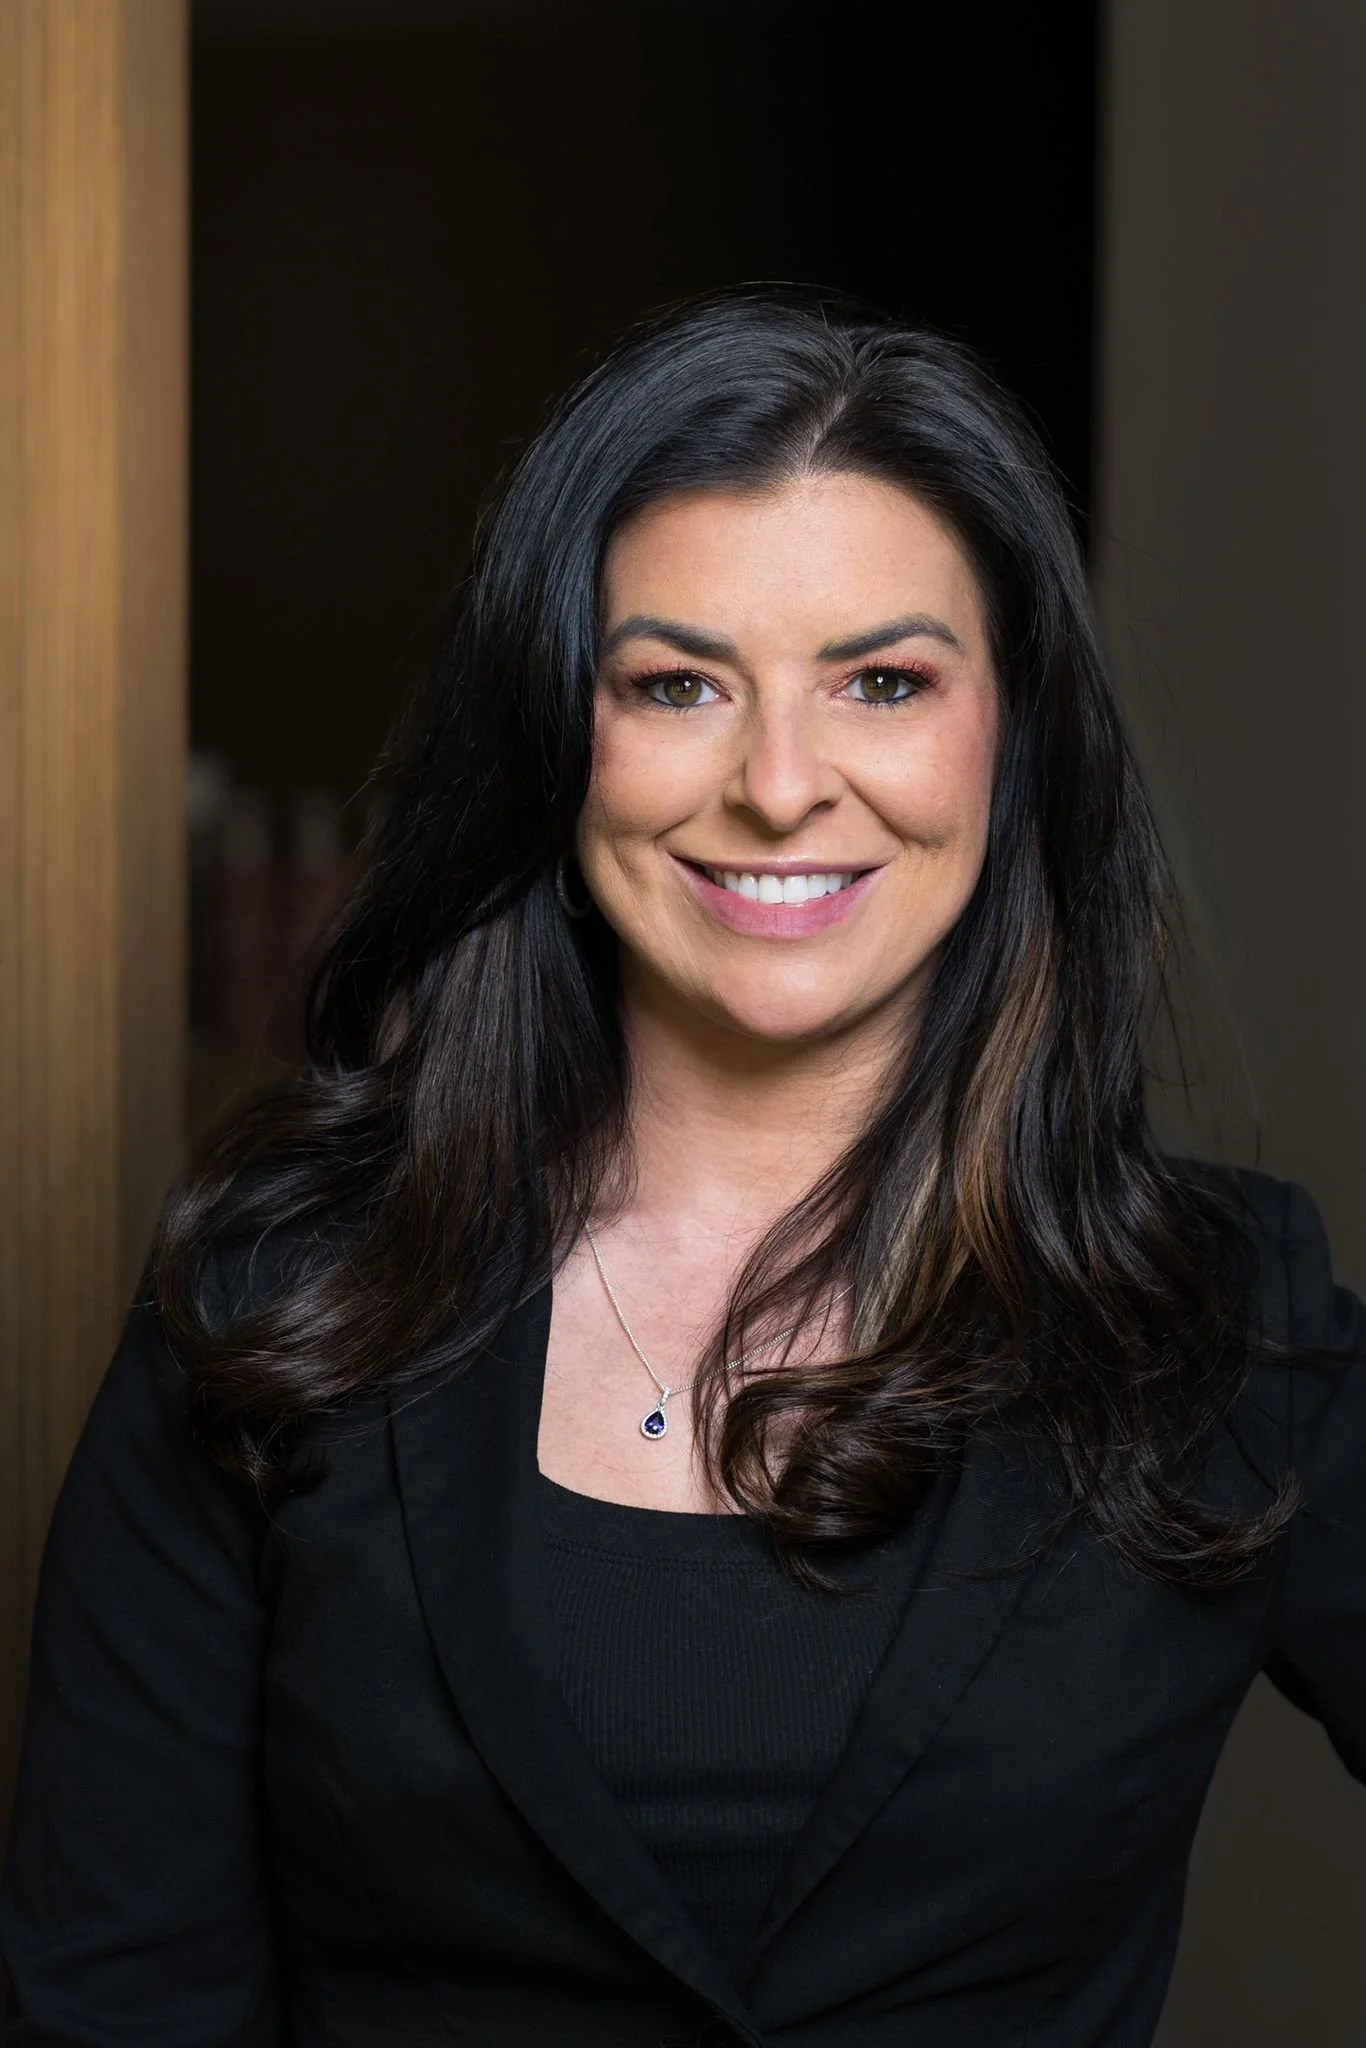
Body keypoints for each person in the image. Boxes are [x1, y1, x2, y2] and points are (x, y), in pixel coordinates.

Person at [2, 288, 1362, 2048]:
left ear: (1012, 744)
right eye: (674, 684)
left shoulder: (1215, 1321)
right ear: (555, 748)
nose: (779, 784)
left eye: (882, 681)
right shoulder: (283, 1302)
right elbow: (114, 2002)